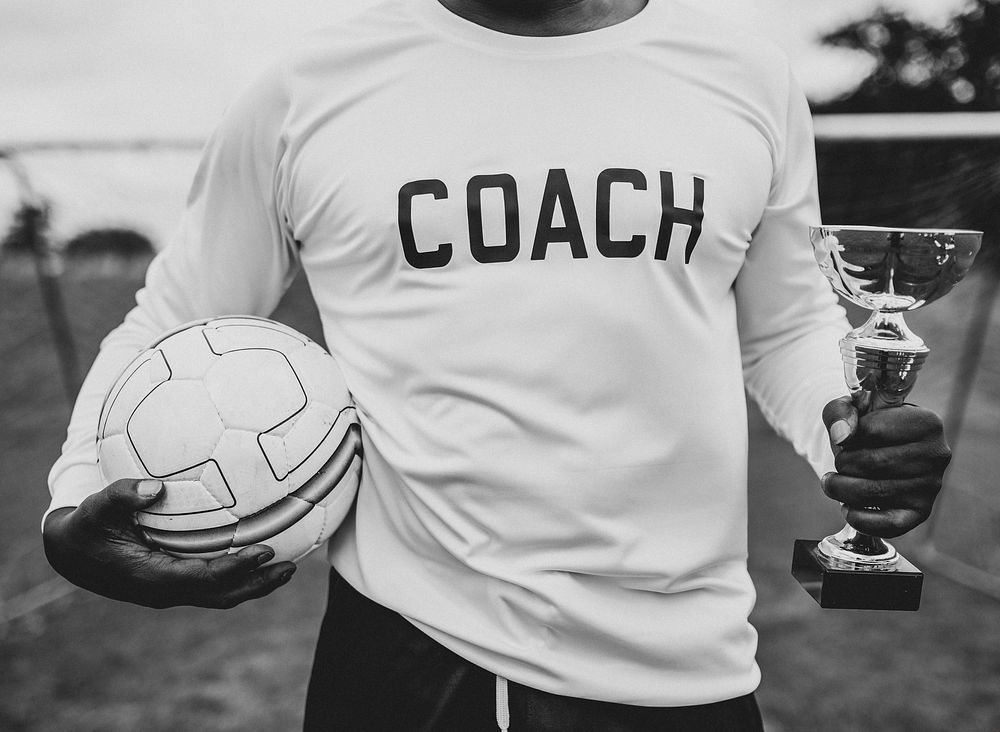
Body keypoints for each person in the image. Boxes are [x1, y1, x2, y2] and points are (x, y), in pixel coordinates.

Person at [42, 1, 952, 729]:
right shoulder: (306, 91)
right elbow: (173, 320)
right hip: (407, 646)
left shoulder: (744, 77)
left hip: (686, 653)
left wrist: (850, 427)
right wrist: (75, 493)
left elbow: (785, 325)